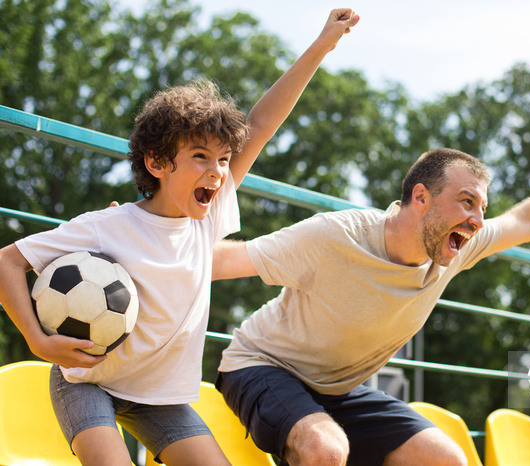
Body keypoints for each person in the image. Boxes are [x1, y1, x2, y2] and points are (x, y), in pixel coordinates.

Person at [0, 8, 359, 466]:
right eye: (200, 156)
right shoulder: (106, 225)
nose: (217, 171)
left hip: (158, 398)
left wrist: (322, 45)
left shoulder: (205, 219)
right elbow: (7, 261)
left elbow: (263, 124)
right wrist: (36, 339)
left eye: (224, 159)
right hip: (87, 384)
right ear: (156, 162)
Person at [212, 130, 530, 465]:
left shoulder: (456, 248)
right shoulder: (334, 236)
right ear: (421, 197)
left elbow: (525, 219)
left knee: (445, 458)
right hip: (262, 366)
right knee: (325, 451)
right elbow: (223, 262)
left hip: (336, 389)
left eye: (481, 208)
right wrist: (150, 255)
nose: (477, 220)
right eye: (466, 202)